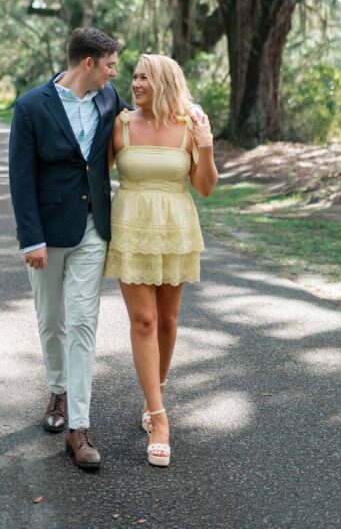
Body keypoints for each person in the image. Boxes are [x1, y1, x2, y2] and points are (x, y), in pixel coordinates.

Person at [8, 27, 129, 471]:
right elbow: (20, 177)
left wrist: (185, 113)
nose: (114, 73)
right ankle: (56, 389)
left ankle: (78, 427)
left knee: (82, 323)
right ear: (88, 64)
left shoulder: (109, 98)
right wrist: (31, 239)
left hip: (93, 227)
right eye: (111, 64)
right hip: (46, 232)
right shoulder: (30, 106)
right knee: (50, 320)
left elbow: (140, 121)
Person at [104, 53, 218, 468]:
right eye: (133, 76)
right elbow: (94, 176)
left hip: (176, 228)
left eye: (144, 78)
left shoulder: (190, 127)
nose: (135, 84)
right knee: (145, 320)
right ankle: (159, 418)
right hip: (131, 229)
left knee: (168, 320)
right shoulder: (119, 126)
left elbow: (204, 187)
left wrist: (205, 148)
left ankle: (157, 392)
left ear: (166, 82)